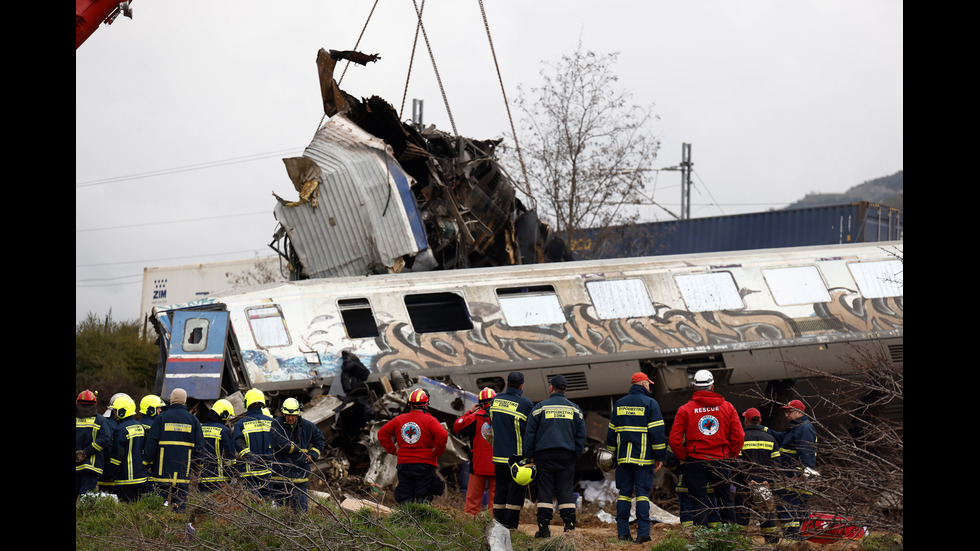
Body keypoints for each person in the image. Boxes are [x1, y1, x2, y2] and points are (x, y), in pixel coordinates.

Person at [667, 369, 744, 527]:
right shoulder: (727, 407)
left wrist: (685, 457)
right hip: (720, 460)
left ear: (695, 387)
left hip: (695, 462)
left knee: (698, 502)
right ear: (712, 386)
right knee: (725, 501)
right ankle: (733, 538)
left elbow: (674, 440)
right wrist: (731, 455)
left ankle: (702, 539)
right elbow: (739, 436)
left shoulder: (685, 410)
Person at [605, 372, 667, 543]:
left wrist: (612, 456)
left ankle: (623, 533)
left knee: (624, 494)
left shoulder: (619, 404)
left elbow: (611, 433)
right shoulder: (650, 404)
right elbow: (657, 434)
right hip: (644, 460)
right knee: (642, 495)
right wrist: (659, 456)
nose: (650, 386)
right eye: (649, 383)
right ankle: (643, 535)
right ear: (644, 384)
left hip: (623, 459)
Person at [523, 375, 586, 538]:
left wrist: (529, 455)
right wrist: (575, 454)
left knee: (545, 491)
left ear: (552, 388)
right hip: (567, 456)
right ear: (565, 389)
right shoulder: (575, 409)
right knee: (565, 490)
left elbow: (530, 433)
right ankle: (569, 527)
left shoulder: (540, 408)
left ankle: (544, 528)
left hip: (544, 455)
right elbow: (581, 435)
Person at [377, 389, 448, 504]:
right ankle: (421, 520)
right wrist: (437, 452)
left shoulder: (399, 420)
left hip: (404, 465)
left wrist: (394, 450)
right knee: (423, 497)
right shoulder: (430, 420)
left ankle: (406, 520)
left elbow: (382, 434)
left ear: (409, 404)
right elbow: (443, 434)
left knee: (405, 497)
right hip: (425, 465)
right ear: (426, 404)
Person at [143, 388, 205, 512]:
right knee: (180, 503)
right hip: (183, 470)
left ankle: (159, 526)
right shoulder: (193, 420)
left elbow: (152, 442)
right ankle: (178, 526)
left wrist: (146, 462)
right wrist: (198, 465)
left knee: (159, 504)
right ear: (185, 401)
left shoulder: (161, 418)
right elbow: (199, 446)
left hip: (162, 470)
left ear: (171, 400)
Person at [488, 371, 534, 530]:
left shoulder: (495, 400)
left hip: (498, 456)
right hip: (517, 459)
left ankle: (498, 525)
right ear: (521, 386)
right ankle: (511, 528)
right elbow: (531, 430)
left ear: (507, 383)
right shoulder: (525, 404)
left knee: (500, 491)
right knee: (515, 494)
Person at [770, 399, 818, 540]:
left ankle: (793, 540)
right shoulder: (798, 428)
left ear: (799, 412)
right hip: (792, 477)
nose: (787, 415)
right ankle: (798, 540)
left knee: (787, 509)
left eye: (789, 412)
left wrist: (798, 473)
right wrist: (764, 430)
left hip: (793, 479)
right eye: (785, 412)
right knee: (796, 511)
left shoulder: (804, 429)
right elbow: (781, 438)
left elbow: (807, 454)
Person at [732, 407, 780, 544]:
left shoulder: (741, 438)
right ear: (760, 421)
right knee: (767, 516)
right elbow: (777, 463)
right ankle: (772, 544)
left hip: (745, 485)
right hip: (765, 486)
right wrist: (768, 481)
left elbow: (737, 462)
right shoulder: (771, 439)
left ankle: (739, 544)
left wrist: (747, 480)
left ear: (745, 421)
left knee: (741, 517)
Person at [270, 397, 326, 512]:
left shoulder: (308, 426)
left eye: (294, 415)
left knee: (300, 512)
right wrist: (298, 448)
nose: (291, 418)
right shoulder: (276, 425)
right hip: (280, 478)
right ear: (283, 413)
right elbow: (280, 443)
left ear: (298, 414)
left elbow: (320, 440)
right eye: (288, 415)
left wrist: (312, 455)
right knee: (279, 513)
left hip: (299, 477)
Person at [452, 387, 497, 516]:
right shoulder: (501, 417)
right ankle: (494, 531)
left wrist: (468, 412)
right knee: (495, 504)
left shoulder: (474, 417)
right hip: (497, 464)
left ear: (480, 403)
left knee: (472, 504)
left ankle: (470, 531)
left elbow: (457, 427)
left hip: (478, 465)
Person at [233, 388, 275, 499]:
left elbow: (238, 443)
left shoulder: (240, 424)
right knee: (269, 502)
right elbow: (276, 443)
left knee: (253, 503)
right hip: (268, 470)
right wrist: (268, 456)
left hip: (249, 471)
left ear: (247, 403)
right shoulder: (272, 422)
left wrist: (252, 457)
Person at [106, 395, 148, 503]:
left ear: (122, 411)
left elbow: (118, 455)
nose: (114, 413)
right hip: (140, 477)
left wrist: (110, 472)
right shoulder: (140, 426)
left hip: (126, 478)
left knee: (125, 507)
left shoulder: (121, 429)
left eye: (115, 410)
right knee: (136, 507)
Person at [76, 389, 112, 500]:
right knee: (86, 501)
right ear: (95, 404)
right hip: (91, 468)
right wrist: (87, 452)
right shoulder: (100, 420)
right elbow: (106, 439)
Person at [198, 399, 237, 493]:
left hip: (201, 478)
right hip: (219, 479)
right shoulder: (224, 430)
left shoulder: (200, 428)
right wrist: (232, 475)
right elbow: (230, 457)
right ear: (223, 415)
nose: (228, 420)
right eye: (228, 416)